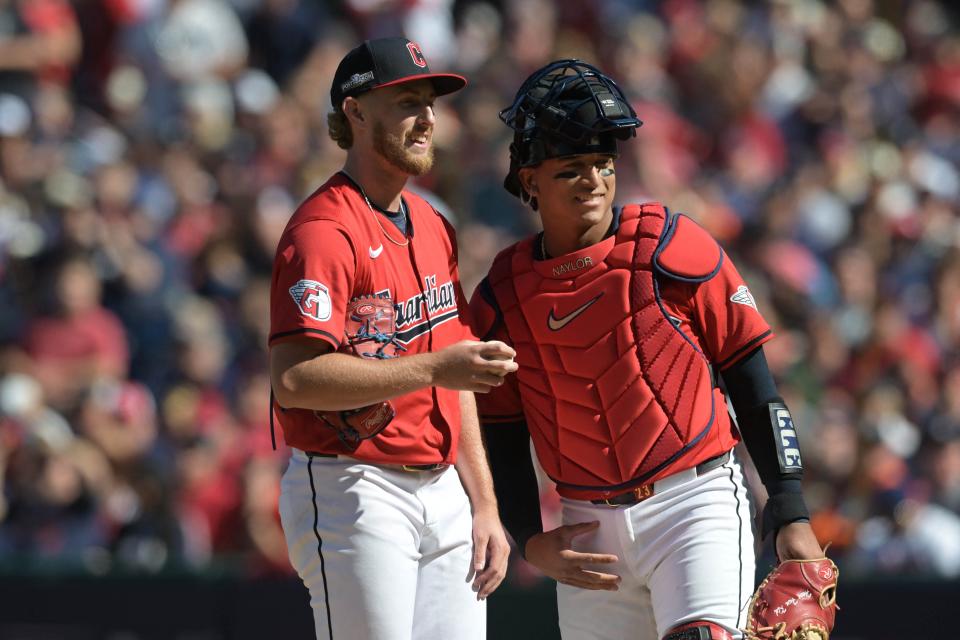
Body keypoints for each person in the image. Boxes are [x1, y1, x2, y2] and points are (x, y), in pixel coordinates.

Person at [469, 59, 826, 640]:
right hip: (586, 528)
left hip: (695, 502)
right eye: (571, 169)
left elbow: (753, 384)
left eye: (603, 165)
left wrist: (789, 505)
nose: (594, 181)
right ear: (530, 178)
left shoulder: (671, 248)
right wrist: (529, 537)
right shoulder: (502, 298)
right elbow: (502, 430)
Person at [268, 37, 515, 640]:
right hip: (354, 485)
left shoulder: (433, 223)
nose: (427, 117)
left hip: (442, 488)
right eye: (407, 101)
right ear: (354, 112)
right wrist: (433, 369)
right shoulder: (324, 231)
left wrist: (483, 501)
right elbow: (295, 379)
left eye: (430, 102)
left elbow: (454, 373)